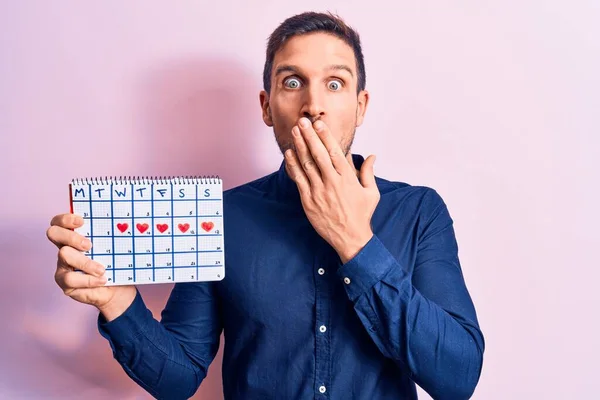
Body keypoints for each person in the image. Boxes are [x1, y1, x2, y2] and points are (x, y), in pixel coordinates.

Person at [46, 11, 484, 400]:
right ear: (267, 106)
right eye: (292, 82)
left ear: (360, 105)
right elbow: (178, 379)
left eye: (335, 83)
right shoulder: (219, 218)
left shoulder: (419, 211)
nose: (313, 106)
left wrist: (354, 240)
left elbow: (458, 376)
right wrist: (116, 300)